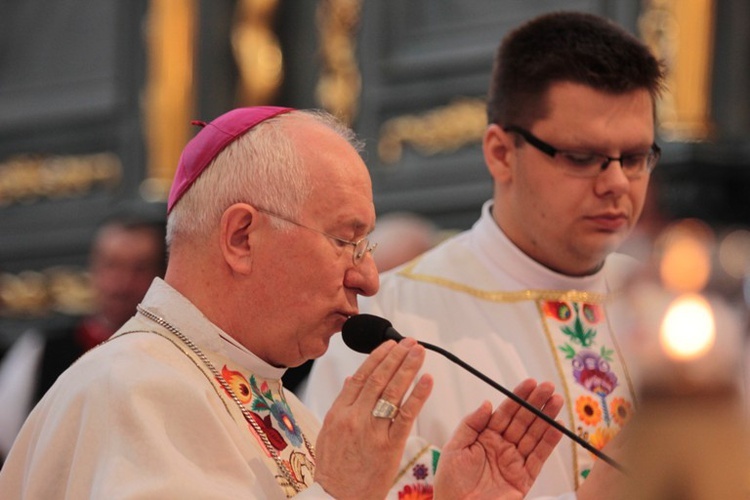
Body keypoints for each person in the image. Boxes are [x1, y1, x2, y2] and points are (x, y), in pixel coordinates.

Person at [0, 106, 566, 498]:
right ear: (242, 237)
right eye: (346, 240)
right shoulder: (129, 392)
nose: (369, 278)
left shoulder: (286, 410)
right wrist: (337, 494)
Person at [303, 11, 666, 499]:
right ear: (500, 153)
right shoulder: (391, 324)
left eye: (637, 157)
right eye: (583, 157)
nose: (618, 182)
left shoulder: (671, 304)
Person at [0, 205, 167, 463]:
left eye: (139, 268)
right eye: (112, 265)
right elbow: (10, 443)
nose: (121, 284)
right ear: (94, 268)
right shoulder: (41, 351)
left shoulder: (171, 355)